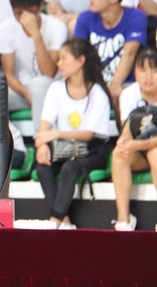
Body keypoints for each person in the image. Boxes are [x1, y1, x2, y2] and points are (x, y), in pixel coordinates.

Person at [35, 38, 111, 229]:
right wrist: (42, 145)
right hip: (65, 149)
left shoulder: (98, 93)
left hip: (92, 150)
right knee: (43, 167)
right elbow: (45, 123)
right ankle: (65, 221)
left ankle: (54, 221)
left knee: (70, 168)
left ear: (80, 61)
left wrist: (56, 134)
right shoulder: (56, 88)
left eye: (63, 58)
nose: (58, 63)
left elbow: (88, 135)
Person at [0, 0, 68, 133]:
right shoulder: (6, 28)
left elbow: (49, 73)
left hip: (53, 88)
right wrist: (24, 91)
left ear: (40, 5)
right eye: (18, 13)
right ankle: (10, 143)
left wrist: (36, 35)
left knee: (38, 83)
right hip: (24, 89)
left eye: (30, 12)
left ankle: (41, 138)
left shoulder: (56, 27)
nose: (25, 18)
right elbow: (8, 73)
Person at [73, 0, 148, 101]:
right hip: (93, 85)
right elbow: (77, 53)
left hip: (125, 84)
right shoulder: (85, 17)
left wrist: (115, 84)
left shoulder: (135, 17)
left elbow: (130, 53)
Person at [112, 47, 157, 231]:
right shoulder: (129, 94)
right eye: (143, 70)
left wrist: (138, 144)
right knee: (119, 154)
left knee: (155, 154)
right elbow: (127, 129)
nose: (149, 76)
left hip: (153, 150)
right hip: (139, 153)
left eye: (154, 70)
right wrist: (124, 142)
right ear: (135, 73)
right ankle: (124, 221)